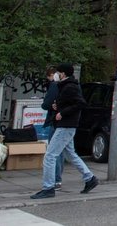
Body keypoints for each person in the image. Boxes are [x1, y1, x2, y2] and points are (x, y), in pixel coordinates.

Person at [31, 64, 98, 199]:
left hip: (66, 125)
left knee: (50, 156)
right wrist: (58, 106)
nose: (57, 74)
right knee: (70, 154)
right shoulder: (66, 85)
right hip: (66, 125)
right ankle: (90, 178)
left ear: (63, 74)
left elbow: (80, 103)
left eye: (59, 72)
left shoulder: (70, 86)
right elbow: (70, 103)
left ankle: (48, 188)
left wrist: (62, 112)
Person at [39, 65, 63, 191]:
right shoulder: (66, 85)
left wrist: (48, 105)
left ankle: (55, 180)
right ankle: (88, 177)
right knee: (65, 152)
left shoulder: (54, 85)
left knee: (53, 152)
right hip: (66, 122)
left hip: (56, 121)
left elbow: (46, 104)